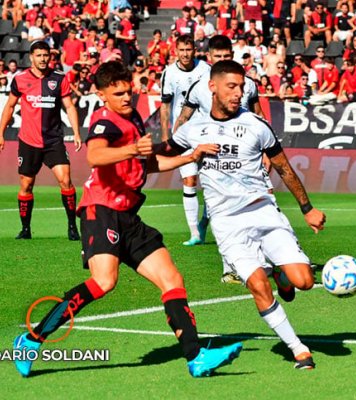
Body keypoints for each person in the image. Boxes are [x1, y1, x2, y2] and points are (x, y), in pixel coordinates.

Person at [11, 60, 243, 379]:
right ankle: (31, 340)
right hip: (101, 211)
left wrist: (190, 156)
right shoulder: (104, 120)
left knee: (172, 279)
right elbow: (95, 155)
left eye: (129, 91)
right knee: (104, 282)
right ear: (102, 94)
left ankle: (195, 356)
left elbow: (149, 163)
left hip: (129, 217)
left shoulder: (132, 117)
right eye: (118, 92)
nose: (126, 97)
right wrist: (132, 149)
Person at [158, 59, 325, 369]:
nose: (238, 93)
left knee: (304, 282)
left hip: (264, 212)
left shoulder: (256, 125)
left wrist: (307, 209)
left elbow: (283, 167)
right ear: (212, 87)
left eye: (241, 87)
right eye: (231, 87)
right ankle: (298, 348)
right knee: (257, 284)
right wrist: (127, 156)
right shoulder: (193, 129)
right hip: (227, 224)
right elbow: (160, 154)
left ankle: (282, 275)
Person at [173, 35, 265, 284]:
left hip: (246, 152)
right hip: (215, 153)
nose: (222, 60)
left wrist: (266, 150)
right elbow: (184, 117)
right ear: (210, 58)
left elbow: (259, 115)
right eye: (218, 57)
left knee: (255, 201)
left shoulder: (248, 85)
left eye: (227, 56)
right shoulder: (200, 87)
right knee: (223, 206)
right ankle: (230, 267)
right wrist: (177, 144)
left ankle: (260, 257)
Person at [0, 40, 81, 241]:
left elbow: (69, 106)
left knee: (66, 180)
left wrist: (77, 133)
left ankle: (72, 227)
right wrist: (0, 133)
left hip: (54, 141)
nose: (43, 59)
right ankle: (25, 229)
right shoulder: (20, 80)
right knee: (26, 185)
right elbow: (10, 106)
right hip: (28, 141)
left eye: (46, 55)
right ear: (31, 57)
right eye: (39, 55)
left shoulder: (59, 79)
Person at [160, 34, 211, 247]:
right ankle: (194, 233)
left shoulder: (206, 69)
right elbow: (165, 106)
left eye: (189, 49)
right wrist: (165, 137)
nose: (185, 54)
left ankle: (204, 223)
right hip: (183, 134)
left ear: (194, 50)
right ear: (176, 51)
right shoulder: (169, 73)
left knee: (213, 184)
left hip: (208, 131)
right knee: (189, 181)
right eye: (181, 50)